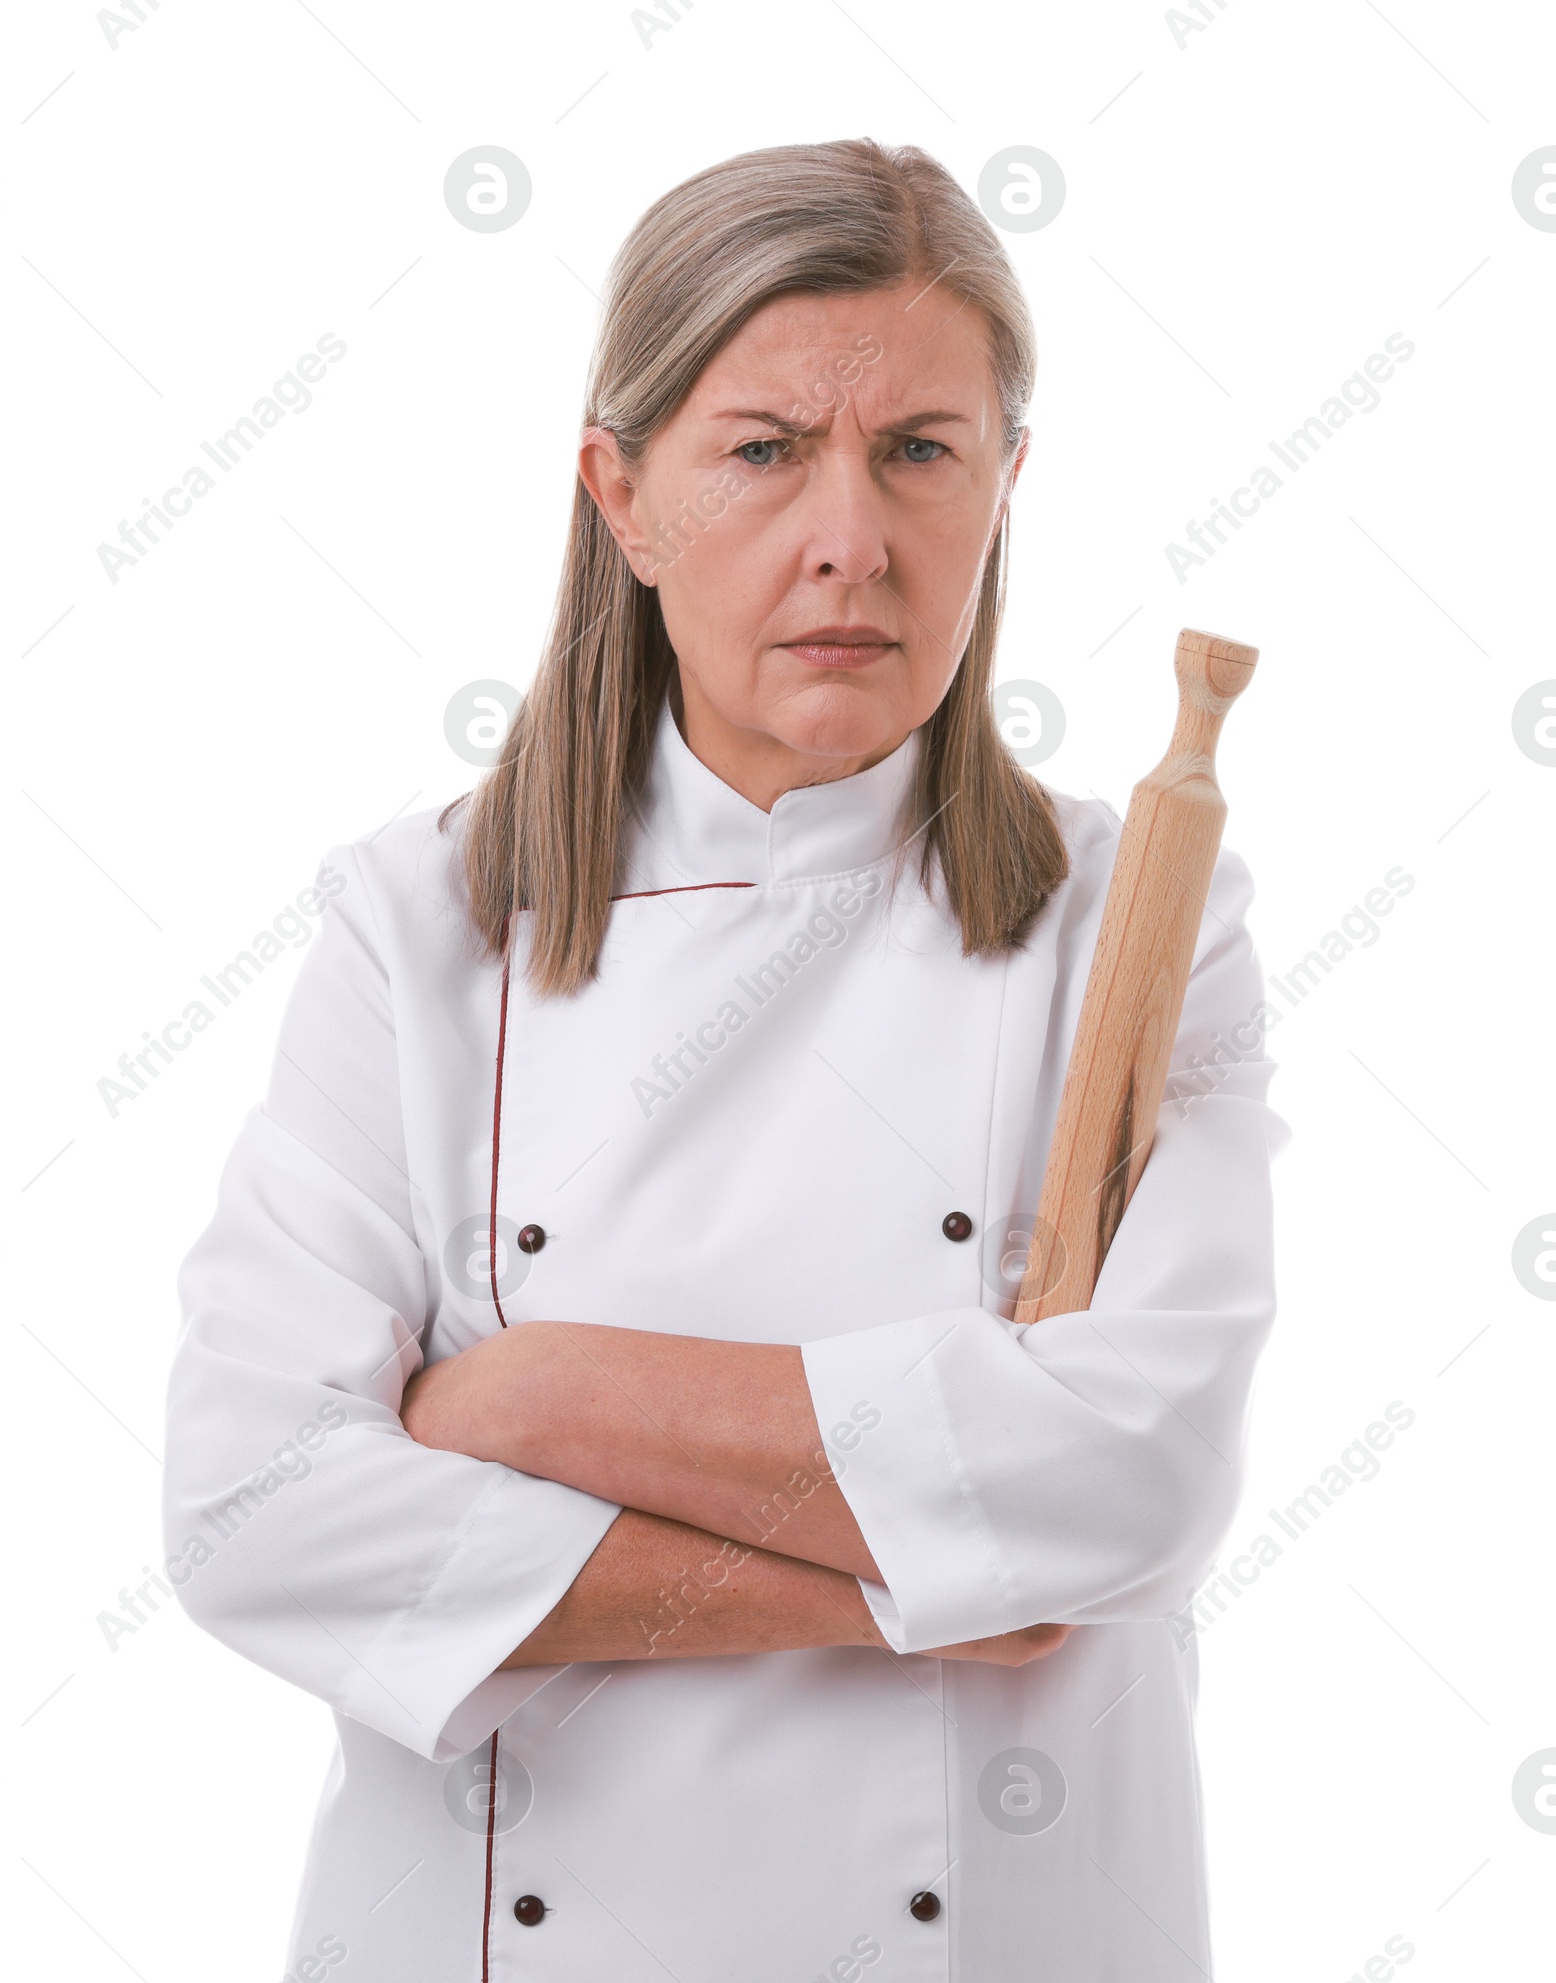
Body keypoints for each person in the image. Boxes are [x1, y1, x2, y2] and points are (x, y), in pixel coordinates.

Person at [164, 136, 1288, 1982]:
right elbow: (252, 1510)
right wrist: (894, 1584)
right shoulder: (419, 924)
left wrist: (539, 1399)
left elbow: (1133, 1480)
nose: (849, 535)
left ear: (1006, 483)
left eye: (921, 450)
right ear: (624, 495)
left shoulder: (1142, 923)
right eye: (763, 451)